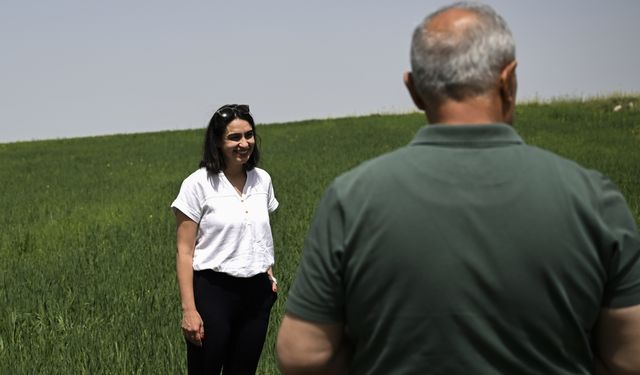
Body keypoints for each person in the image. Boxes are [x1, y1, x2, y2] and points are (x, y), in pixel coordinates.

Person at [276, 2, 640, 374]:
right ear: (509, 79)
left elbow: (302, 355)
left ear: (414, 90)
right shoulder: (595, 199)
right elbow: (630, 357)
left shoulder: (350, 199)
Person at [171, 104, 279, 374]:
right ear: (218, 142)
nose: (244, 143)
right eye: (234, 137)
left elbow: (259, 232)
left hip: (256, 295)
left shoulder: (262, 180)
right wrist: (189, 310)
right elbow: (184, 251)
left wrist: (268, 272)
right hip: (213, 293)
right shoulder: (198, 184)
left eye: (249, 135)